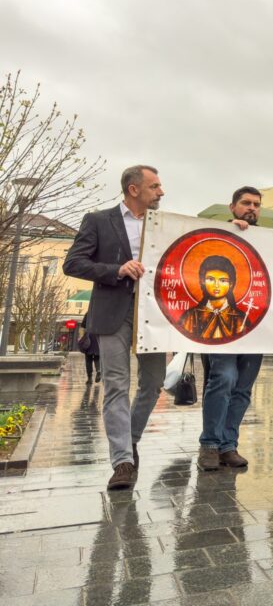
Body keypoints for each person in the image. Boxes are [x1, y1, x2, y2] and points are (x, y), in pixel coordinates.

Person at [63, 165, 167, 490]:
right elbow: (73, 263)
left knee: (154, 382)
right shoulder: (98, 221)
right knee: (117, 385)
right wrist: (116, 269)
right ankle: (122, 461)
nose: (161, 192)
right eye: (155, 187)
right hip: (112, 312)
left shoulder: (165, 224)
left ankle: (130, 439)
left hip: (154, 315)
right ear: (133, 189)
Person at [196, 186, 266, 471]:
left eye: (256, 204)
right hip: (221, 327)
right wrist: (229, 231)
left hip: (256, 324)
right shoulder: (218, 233)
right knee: (223, 378)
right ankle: (210, 443)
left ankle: (228, 444)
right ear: (232, 207)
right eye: (246, 203)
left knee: (243, 388)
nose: (251, 208)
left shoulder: (270, 240)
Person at [77, 315, 101, 384]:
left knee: (88, 359)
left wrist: (81, 337)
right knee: (97, 357)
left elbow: (82, 326)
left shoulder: (89, 313)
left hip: (89, 337)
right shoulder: (101, 312)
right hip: (98, 337)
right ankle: (99, 371)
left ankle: (89, 378)